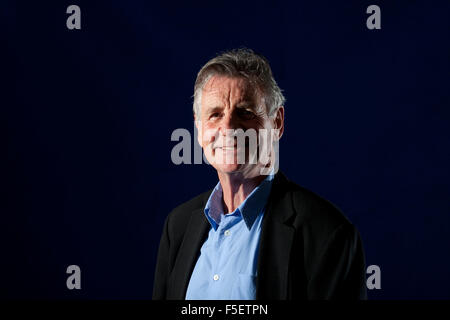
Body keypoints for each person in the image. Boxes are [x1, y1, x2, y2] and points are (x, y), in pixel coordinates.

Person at [153, 48, 367, 300]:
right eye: (215, 114)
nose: (229, 128)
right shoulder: (177, 226)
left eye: (245, 113)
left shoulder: (327, 234)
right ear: (199, 129)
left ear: (277, 122)